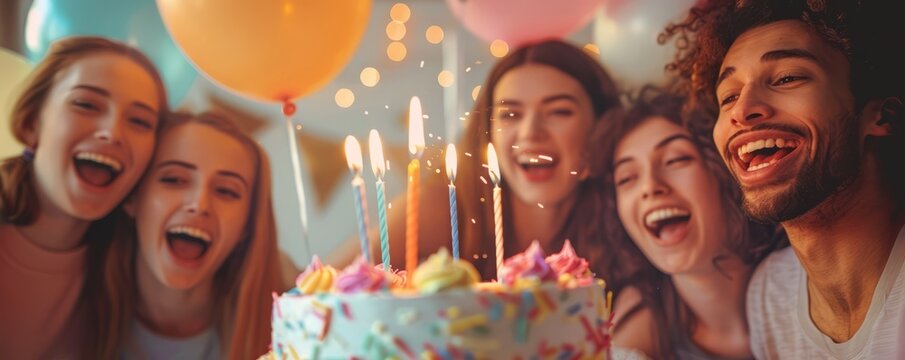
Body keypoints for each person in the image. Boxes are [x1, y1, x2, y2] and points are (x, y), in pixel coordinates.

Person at [669, 0, 905, 357]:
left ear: (881, 117)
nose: (743, 111)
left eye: (787, 78)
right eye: (728, 96)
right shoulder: (769, 293)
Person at [331, 40, 621, 280]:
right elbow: (325, 286)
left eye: (559, 111)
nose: (531, 132)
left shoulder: (625, 217)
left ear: (601, 127)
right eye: (509, 115)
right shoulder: (440, 205)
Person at [0, 36, 168, 358]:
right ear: (32, 122)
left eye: (139, 121)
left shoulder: (131, 270)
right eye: (87, 104)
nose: (112, 132)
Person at [600, 88, 782, 359]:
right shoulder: (635, 317)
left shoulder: (802, 278)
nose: (650, 187)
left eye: (676, 160)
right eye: (627, 178)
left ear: (724, 171)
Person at [94, 113, 287, 359]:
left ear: (247, 227)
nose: (199, 204)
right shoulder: (71, 313)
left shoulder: (289, 328)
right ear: (132, 197)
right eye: (174, 179)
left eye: (226, 191)